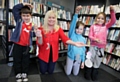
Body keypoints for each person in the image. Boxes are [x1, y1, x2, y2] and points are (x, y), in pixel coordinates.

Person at [35, 9, 87, 74]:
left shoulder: (58, 29)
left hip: (53, 55)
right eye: (49, 17)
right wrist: (39, 36)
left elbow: (65, 38)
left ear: (55, 19)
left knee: (50, 72)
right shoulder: (41, 29)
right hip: (43, 55)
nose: (51, 19)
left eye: (53, 18)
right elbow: (40, 43)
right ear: (46, 18)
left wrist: (75, 43)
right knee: (43, 71)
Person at [84, 5, 116, 81]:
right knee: (90, 60)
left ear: (104, 20)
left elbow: (113, 21)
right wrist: (95, 39)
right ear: (96, 18)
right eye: (98, 18)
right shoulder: (92, 26)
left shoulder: (105, 26)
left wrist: (112, 11)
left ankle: (94, 74)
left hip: (101, 48)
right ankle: (87, 75)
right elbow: (90, 36)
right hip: (92, 46)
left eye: (102, 18)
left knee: (97, 61)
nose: (100, 20)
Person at [10, 3, 34, 82]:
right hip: (17, 45)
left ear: (31, 16)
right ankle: (18, 73)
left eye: (27, 16)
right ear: (21, 16)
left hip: (26, 46)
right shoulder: (19, 21)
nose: (26, 17)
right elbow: (14, 9)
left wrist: (36, 31)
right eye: (24, 15)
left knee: (26, 60)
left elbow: (32, 35)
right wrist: (23, 4)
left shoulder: (32, 25)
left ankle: (24, 73)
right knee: (17, 60)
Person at [64, 6, 86, 76]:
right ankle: (66, 65)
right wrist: (76, 14)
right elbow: (73, 25)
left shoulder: (83, 39)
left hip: (78, 57)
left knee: (75, 74)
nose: (78, 30)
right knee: (68, 73)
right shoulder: (72, 34)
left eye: (81, 29)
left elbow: (83, 50)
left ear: (83, 30)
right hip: (70, 56)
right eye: (77, 28)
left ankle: (72, 65)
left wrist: (83, 61)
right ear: (75, 29)